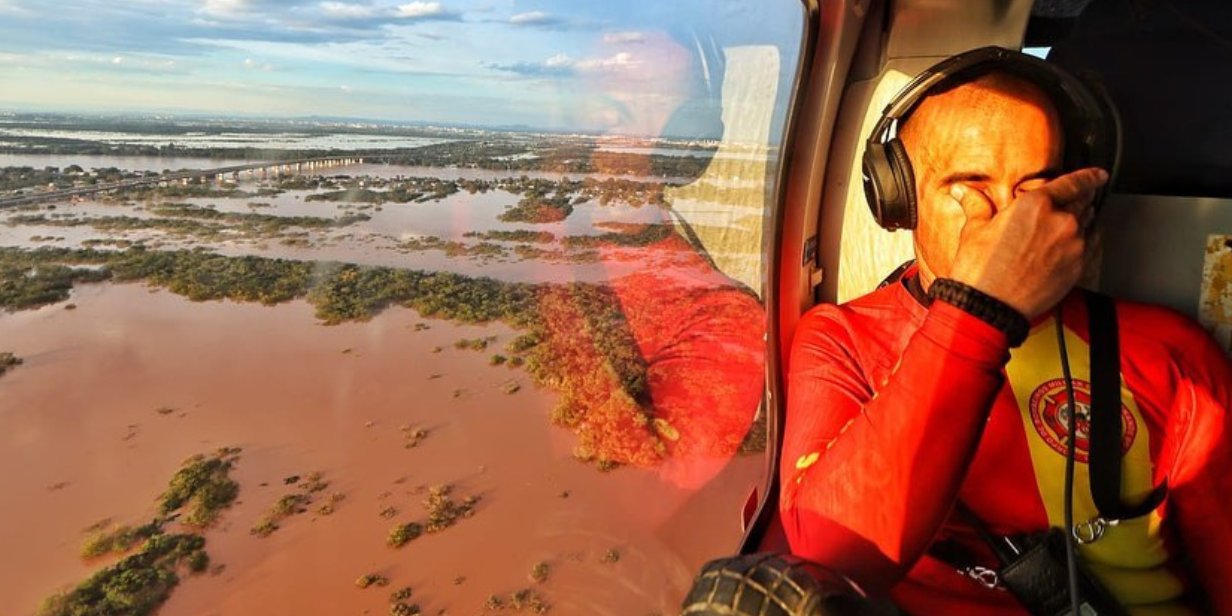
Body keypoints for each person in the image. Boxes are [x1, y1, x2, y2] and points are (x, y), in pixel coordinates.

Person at [778, 49, 1232, 616]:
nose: (1013, 224)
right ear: (900, 197)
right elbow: (832, 552)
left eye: (1036, 189)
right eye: (971, 187)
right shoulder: (842, 341)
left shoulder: (1172, 355)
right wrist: (981, 310)